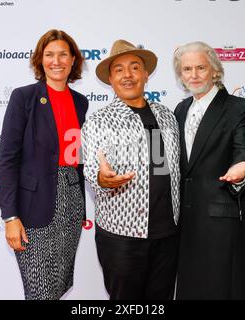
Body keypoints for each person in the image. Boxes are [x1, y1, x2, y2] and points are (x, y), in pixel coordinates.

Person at [81, 39, 181, 300]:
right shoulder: (98, 121)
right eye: (119, 70)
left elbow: (163, 167)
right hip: (122, 237)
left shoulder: (166, 116)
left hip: (167, 234)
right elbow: (92, 168)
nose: (128, 75)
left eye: (135, 67)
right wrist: (103, 179)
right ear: (110, 80)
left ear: (146, 75)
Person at [0, 29, 88, 300]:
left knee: (58, 287)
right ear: (40, 60)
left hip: (71, 203)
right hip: (33, 209)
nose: (56, 61)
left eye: (63, 54)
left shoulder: (81, 103)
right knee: (40, 291)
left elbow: (79, 157)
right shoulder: (23, 98)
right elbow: (7, 160)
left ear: (73, 60)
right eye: (49, 55)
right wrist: (11, 217)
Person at [173, 41, 245, 300]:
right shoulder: (181, 109)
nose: (194, 75)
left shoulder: (238, 108)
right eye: (187, 69)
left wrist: (240, 173)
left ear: (214, 70)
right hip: (185, 222)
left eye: (201, 67)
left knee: (224, 290)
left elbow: (244, 150)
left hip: (221, 219)